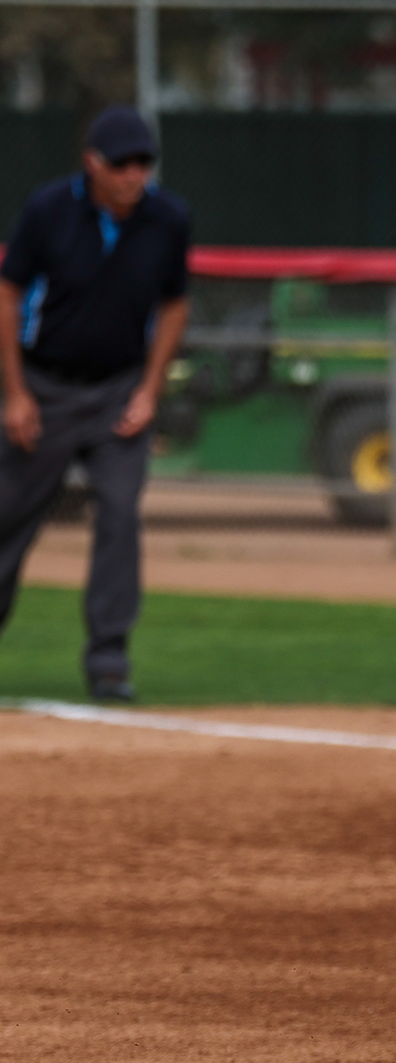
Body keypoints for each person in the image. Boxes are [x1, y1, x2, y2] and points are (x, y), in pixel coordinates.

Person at [0, 106, 191, 702]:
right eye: (122, 164)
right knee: (7, 519)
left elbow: (175, 304)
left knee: (119, 515)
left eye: (144, 163)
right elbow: (7, 296)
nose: (135, 174)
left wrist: (149, 390)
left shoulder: (167, 219)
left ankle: (109, 659)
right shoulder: (49, 210)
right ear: (92, 165)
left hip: (117, 389)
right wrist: (16, 394)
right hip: (45, 387)